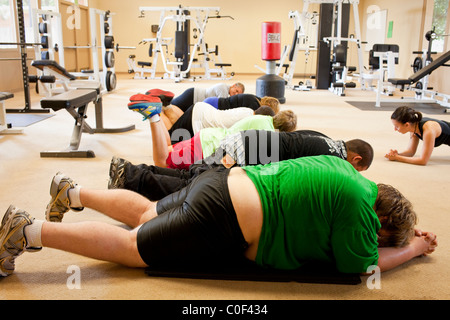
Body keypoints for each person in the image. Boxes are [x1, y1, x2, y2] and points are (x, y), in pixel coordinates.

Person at [0, 156, 437, 277]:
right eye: (381, 236)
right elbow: (362, 266)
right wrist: (414, 248)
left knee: (148, 211)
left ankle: (72, 192)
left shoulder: (346, 171)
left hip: (220, 183)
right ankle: (27, 230)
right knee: (135, 247)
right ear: (379, 223)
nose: (375, 241)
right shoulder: (360, 211)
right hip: (223, 218)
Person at [109, 130, 374, 201]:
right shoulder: (332, 161)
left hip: (241, 141)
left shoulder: (324, 139)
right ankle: (131, 178)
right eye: (356, 170)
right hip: (248, 154)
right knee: (196, 187)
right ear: (356, 159)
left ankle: (130, 170)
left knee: (191, 173)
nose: (351, 173)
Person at [145, 107, 296, 170]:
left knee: (168, 148)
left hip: (207, 135)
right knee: (162, 162)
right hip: (207, 148)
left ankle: (156, 113)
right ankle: (152, 115)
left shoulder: (262, 117)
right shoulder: (269, 135)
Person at [385, 106, 450, 165]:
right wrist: (396, 154)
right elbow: (410, 152)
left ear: (407, 125)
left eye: (397, 126)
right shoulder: (413, 126)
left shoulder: (428, 130)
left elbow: (423, 161)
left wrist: (397, 158)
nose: (395, 129)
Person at [168, 82, 245, 113]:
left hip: (194, 97)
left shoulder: (225, 90)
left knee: (174, 109)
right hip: (192, 96)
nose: (236, 93)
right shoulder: (223, 89)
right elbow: (222, 107)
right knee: (171, 105)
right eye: (237, 90)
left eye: (238, 94)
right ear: (234, 85)